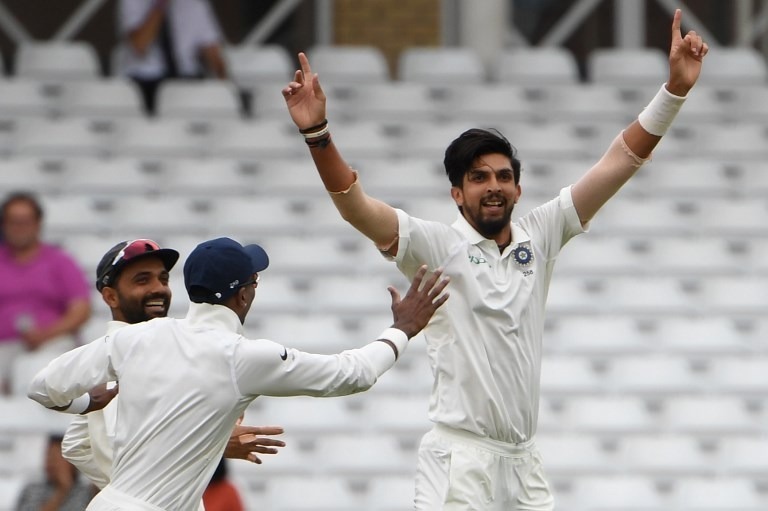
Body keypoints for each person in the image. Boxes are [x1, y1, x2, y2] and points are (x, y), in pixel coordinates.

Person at [281, 9, 707, 510]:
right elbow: (356, 207)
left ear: (519, 188)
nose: (494, 187)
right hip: (460, 462)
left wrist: (674, 91)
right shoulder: (436, 246)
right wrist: (318, 135)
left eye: (503, 177)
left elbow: (620, 160)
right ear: (457, 195)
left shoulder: (541, 234)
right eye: (479, 178)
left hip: (524, 463)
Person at [28, 236, 449, 510]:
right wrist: (402, 329)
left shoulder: (139, 339)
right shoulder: (243, 357)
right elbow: (353, 373)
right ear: (245, 294)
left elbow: (42, 387)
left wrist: (86, 401)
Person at [61, 239, 287, 501]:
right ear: (110, 296)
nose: (158, 289)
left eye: (164, 279)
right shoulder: (130, 356)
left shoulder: (112, 355)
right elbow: (122, 442)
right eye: (142, 280)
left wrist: (124, 492)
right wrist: (212, 441)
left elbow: (76, 446)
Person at [0, 192, 91, 396]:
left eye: (25, 221)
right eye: (13, 221)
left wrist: (45, 334)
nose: (19, 227)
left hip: (52, 343)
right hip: (3, 345)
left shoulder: (60, 261)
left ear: (38, 223)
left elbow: (81, 310)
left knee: (41, 370)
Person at [116, 0, 228, 114]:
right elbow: (139, 45)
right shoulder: (133, 2)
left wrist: (225, 93)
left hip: (187, 81)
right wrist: (161, 5)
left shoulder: (195, 3)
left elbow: (213, 55)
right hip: (146, 82)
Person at [15, 434, 93, 511]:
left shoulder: (87, 492)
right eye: (49, 455)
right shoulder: (32, 491)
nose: (51, 463)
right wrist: (62, 491)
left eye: (56, 458)